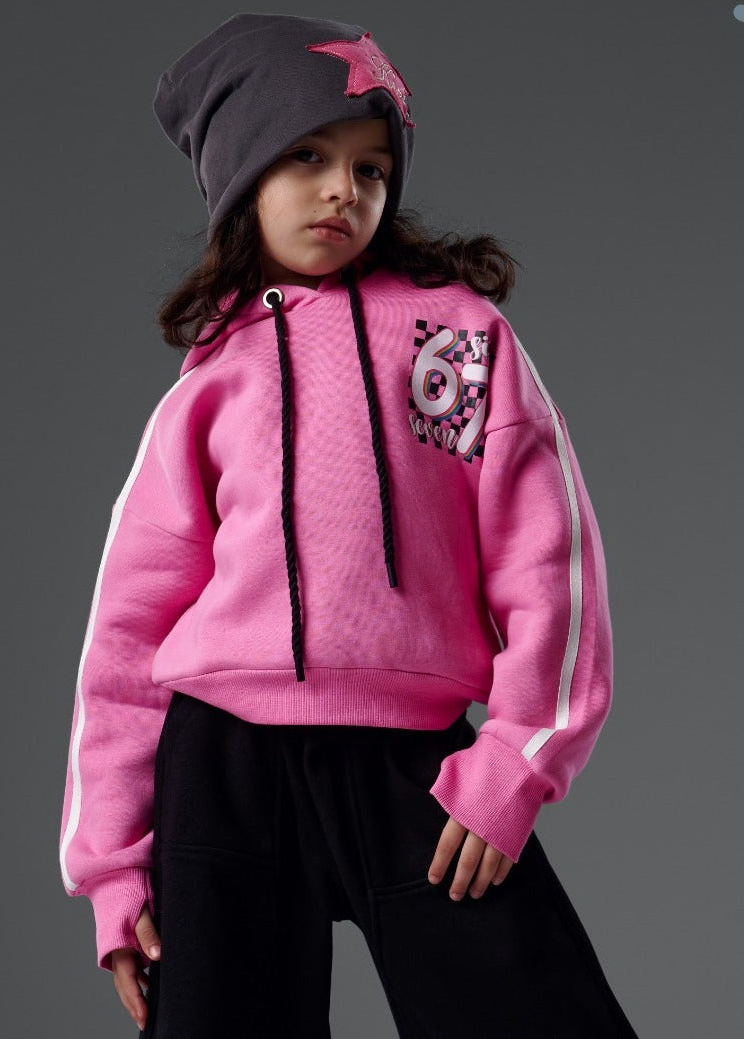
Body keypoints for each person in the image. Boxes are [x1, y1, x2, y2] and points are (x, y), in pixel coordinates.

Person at [58, 12, 640, 1038]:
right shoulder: (211, 381)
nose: (344, 190)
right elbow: (126, 636)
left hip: (412, 760)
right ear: (240, 173)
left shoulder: (455, 340)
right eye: (308, 156)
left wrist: (515, 760)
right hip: (224, 767)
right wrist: (114, 866)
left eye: (371, 168)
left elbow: (550, 562)